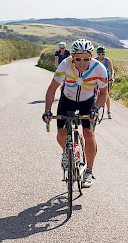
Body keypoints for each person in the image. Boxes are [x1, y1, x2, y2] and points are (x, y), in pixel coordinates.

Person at [42, 39, 108, 188]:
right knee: (61, 134)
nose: (82, 62)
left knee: (89, 134)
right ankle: (67, 152)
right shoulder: (65, 64)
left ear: (91, 57)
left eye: (86, 59)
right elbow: (52, 89)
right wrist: (47, 110)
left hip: (88, 101)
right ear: (72, 56)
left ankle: (89, 171)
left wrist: (96, 109)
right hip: (67, 99)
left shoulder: (99, 68)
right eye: (78, 58)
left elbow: (104, 94)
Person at [94, 46, 114, 119]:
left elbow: (112, 70)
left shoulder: (107, 60)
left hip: (106, 78)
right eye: (99, 54)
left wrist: (112, 78)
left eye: (102, 54)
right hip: (97, 77)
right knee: (94, 92)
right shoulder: (94, 60)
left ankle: (109, 111)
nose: (101, 56)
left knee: (106, 94)